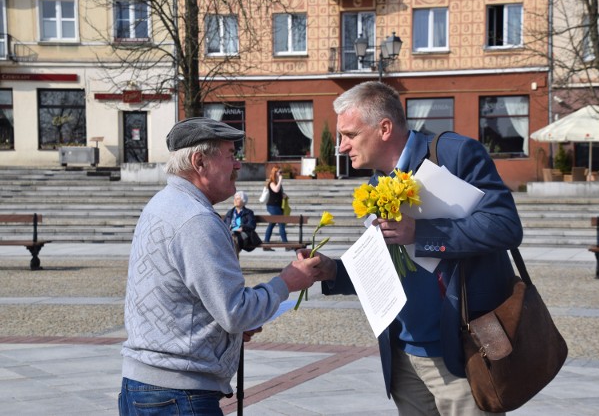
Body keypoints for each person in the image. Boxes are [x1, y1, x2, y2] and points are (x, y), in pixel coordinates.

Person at [319, 81, 523, 416]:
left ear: (384, 128)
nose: (341, 147)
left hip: (462, 354)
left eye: (349, 135)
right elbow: (382, 264)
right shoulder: (376, 183)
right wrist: (333, 272)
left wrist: (421, 232)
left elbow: (505, 226)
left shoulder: (454, 155)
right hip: (403, 354)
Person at [118, 117, 327, 416]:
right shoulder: (196, 220)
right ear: (199, 162)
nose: (238, 165)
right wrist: (288, 281)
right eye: (231, 155)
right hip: (178, 392)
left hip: (145, 384)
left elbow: (183, 299)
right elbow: (234, 312)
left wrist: (227, 333)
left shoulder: (163, 203)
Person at [224, 190, 258, 256]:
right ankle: (234, 262)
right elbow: (224, 224)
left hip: (243, 234)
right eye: (234, 198)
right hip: (230, 233)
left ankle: (233, 262)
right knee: (232, 238)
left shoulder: (248, 213)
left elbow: (252, 225)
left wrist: (242, 227)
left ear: (243, 200)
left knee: (234, 239)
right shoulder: (230, 213)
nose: (235, 200)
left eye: (238, 199)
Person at [262, 165, 289, 250]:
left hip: (277, 206)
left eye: (282, 172)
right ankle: (286, 245)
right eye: (280, 172)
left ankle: (266, 244)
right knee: (281, 224)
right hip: (272, 206)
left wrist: (284, 195)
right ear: (275, 173)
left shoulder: (277, 183)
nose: (281, 174)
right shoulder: (271, 183)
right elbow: (276, 190)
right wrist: (280, 181)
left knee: (272, 224)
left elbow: (278, 193)